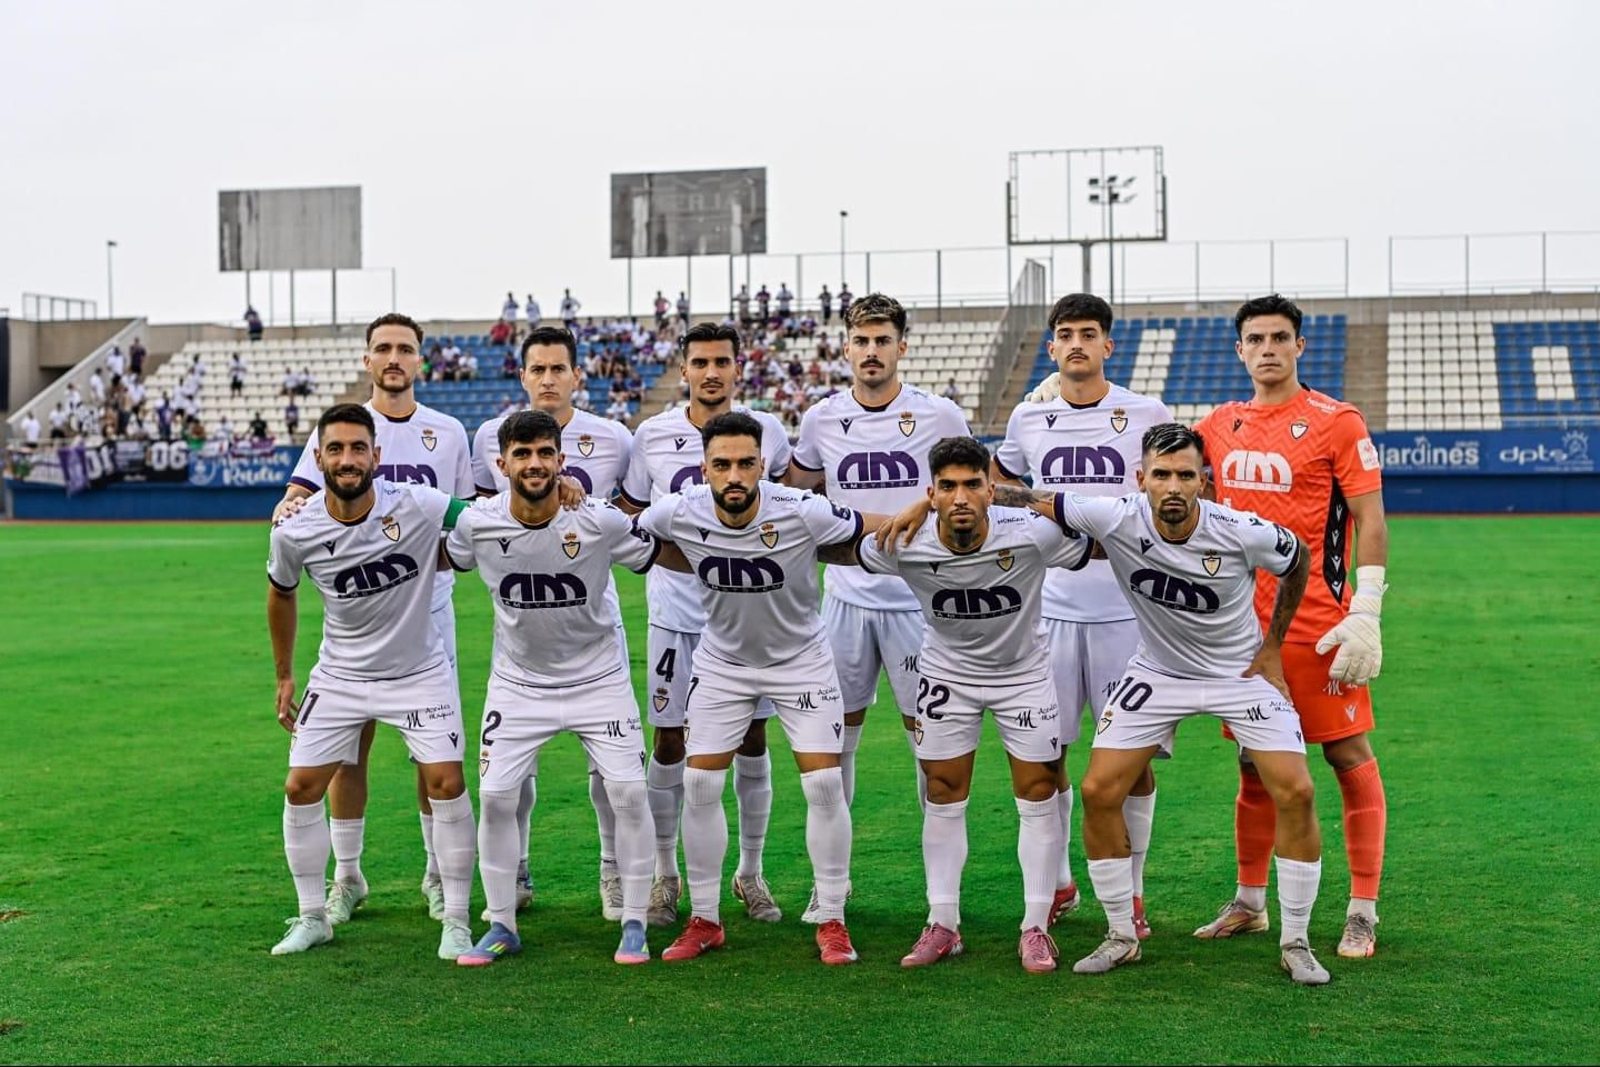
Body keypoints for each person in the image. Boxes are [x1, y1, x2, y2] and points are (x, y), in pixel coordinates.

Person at [972, 422, 1330, 985]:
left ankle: (1297, 941)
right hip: (1158, 672)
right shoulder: (1115, 515)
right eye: (1160, 475)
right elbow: (1033, 498)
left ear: (1205, 484)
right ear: (1139, 480)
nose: (1172, 487)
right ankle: (1120, 935)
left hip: (1238, 674)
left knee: (1298, 790)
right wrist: (948, 499)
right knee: (1098, 789)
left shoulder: (1238, 529)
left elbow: (1298, 558)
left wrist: (1273, 648)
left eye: (1185, 476)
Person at [846, 435, 1094, 972]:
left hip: (1024, 676)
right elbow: (838, 541)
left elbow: (1093, 536)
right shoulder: (904, 542)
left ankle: (1035, 926)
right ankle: (944, 923)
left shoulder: (1032, 535)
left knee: (1038, 792)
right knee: (942, 791)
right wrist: (903, 512)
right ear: (931, 492)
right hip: (946, 676)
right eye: (948, 487)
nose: (961, 497)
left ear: (990, 489)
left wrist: (1018, 497)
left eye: (973, 485)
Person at [634, 411, 874, 965]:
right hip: (723, 663)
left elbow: (869, 528)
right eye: (722, 465)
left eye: (746, 463)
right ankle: (706, 918)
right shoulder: (680, 509)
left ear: (763, 466)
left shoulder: (801, 510)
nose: (735, 475)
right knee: (697, 784)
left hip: (801, 662)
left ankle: (833, 919)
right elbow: (633, 530)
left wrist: (923, 510)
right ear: (704, 469)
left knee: (824, 787)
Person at [1192, 294, 1390, 959]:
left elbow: (1370, 518)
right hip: (1242, 634)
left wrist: (1367, 608)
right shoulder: (1217, 426)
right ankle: (1250, 901)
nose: (1268, 347)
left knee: (1347, 756)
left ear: (1301, 347)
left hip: (1319, 628)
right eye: (1256, 338)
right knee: (1254, 766)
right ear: (1240, 349)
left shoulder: (1336, 422)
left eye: (1280, 337)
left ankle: (1362, 909)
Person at [448, 409, 677, 966]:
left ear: (560, 460)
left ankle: (633, 924)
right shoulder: (476, 523)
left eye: (544, 453)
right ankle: (501, 924)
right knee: (498, 797)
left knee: (627, 793)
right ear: (500, 463)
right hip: (518, 682)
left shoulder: (598, 519)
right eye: (521, 454)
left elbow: (657, 555)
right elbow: (443, 547)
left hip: (599, 677)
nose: (533, 464)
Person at [271, 314, 475, 927]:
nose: (393, 358)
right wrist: (287, 503)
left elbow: (466, 515)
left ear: (421, 360)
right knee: (349, 752)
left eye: (404, 349)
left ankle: (439, 876)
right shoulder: (340, 429)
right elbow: (301, 498)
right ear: (367, 360)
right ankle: (347, 877)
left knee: (432, 759)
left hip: (427, 608)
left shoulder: (448, 432)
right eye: (382, 348)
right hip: (355, 618)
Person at [784, 294, 970, 919]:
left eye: (882, 340)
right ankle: (830, 885)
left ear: (901, 347)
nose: (871, 352)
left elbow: (972, 486)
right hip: (844, 601)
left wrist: (924, 507)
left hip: (921, 604)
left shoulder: (939, 415)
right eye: (860, 341)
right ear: (844, 348)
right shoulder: (820, 420)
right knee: (835, 744)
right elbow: (797, 499)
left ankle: (938, 889)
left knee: (932, 744)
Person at [1001, 292, 1174, 935]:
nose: (1077, 343)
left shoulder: (1145, 412)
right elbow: (1004, 487)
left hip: (1130, 615)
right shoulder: (1028, 420)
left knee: (1131, 763)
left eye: (1089, 333)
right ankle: (1062, 882)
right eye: (1065, 334)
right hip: (1048, 615)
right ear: (1052, 348)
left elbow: (1167, 497)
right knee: (1047, 757)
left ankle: (1131, 893)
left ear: (1109, 345)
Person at [616, 323, 793, 929]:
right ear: (684, 369)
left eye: (722, 361)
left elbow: (785, 513)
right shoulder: (652, 436)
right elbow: (635, 516)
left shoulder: (768, 431)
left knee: (750, 739)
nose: (711, 372)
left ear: (739, 368)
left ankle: (749, 871)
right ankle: (666, 875)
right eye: (700, 362)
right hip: (675, 615)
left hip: (749, 619)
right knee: (670, 740)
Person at [470, 326, 635, 919]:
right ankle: (513, 875)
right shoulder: (490, 436)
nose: (547, 379)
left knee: (609, 774)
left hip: (591, 626)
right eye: (536, 369)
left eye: (557, 369)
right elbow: (481, 517)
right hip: (520, 636)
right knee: (513, 774)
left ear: (577, 375)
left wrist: (584, 502)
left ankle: (613, 872)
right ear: (522, 375)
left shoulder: (614, 437)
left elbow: (632, 518)